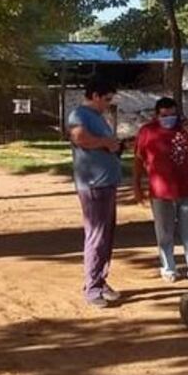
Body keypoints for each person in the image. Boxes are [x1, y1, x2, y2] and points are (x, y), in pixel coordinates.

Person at [133, 97, 188, 285]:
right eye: (164, 115)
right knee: (165, 234)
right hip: (160, 192)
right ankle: (168, 268)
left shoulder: (184, 129)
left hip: (185, 189)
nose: (168, 118)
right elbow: (138, 160)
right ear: (157, 115)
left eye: (172, 114)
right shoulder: (147, 131)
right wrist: (137, 185)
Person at [68, 77, 123, 308]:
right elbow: (79, 138)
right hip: (93, 185)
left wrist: (116, 146)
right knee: (96, 237)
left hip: (107, 183)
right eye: (107, 99)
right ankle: (92, 288)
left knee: (106, 237)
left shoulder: (99, 118)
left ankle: (100, 279)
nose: (109, 104)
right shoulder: (79, 115)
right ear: (96, 96)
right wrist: (105, 143)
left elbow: (104, 144)